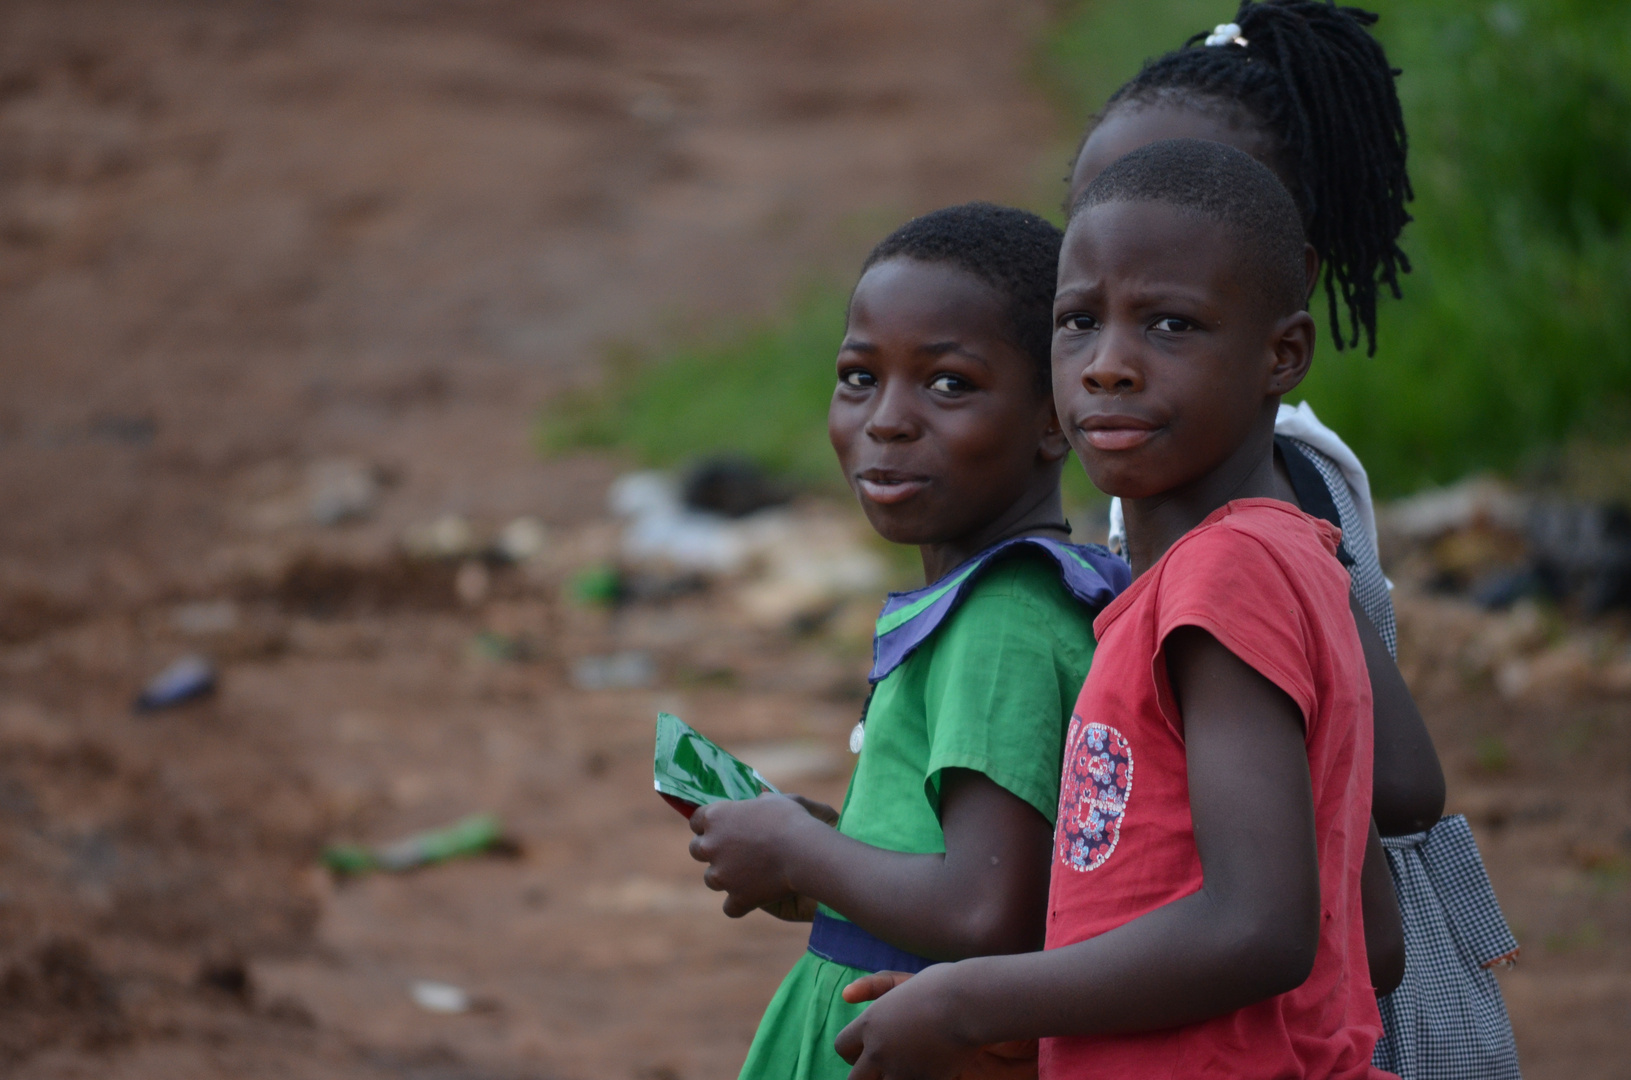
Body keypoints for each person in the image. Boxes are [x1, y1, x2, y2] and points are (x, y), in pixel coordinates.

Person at [836, 137, 1392, 1080]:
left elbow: (1260, 928)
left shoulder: (1227, 576)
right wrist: (1053, 1014)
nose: (1106, 366)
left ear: (1281, 354)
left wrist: (975, 998)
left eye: (1168, 326)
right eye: (1076, 323)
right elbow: (1366, 934)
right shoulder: (1269, 560)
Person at [1068, 6, 1520, 1077]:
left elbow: (1396, 781)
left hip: (1338, 1009)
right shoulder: (1163, 475)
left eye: (1189, 207)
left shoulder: (1263, 493)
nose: (1137, 225)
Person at [687, 203, 1129, 1080]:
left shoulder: (1002, 619)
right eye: (859, 377)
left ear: (1054, 417)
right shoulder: (992, 600)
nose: (886, 420)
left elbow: (985, 911)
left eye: (949, 384)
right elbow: (954, 864)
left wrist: (796, 847)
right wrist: (817, 857)